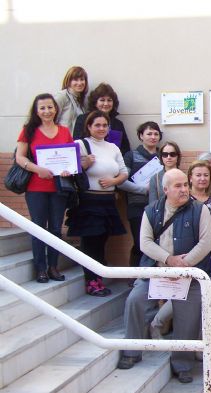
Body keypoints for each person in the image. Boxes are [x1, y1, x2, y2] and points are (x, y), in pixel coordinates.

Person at [117, 169, 211, 384]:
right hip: (157, 271)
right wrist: (169, 260)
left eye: (185, 185)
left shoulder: (200, 210)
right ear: (165, 189)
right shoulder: (151, 210)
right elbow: (145, 243)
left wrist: (182, 265)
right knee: (135, 301)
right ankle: (132, 351)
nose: (183, 190)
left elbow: (205, 243)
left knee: (187, 319)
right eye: (178, 186)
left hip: (189, 274)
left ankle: (183, 364)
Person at [150, 160, 211, 340]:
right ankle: (157, 323)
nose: (202, 178)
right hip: (181, 257)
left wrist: (205, 246)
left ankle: (201, 343)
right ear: (190, 178)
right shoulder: (183, 200)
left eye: (206, 175)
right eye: (198, 175)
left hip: (209, 257)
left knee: (203, 299)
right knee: (179, 293)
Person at [67, 110, 128, 297]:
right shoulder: (80, 145)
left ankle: (98, 278)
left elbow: (124, 172)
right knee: (91, 242)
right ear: (89, 127)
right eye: (97, 125)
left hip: (107, 200)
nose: (101, 128)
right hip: (88, 201)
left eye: (104, 125)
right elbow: (67, 170)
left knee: (102, 241)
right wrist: (84, 165)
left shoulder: (113, 147)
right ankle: (91, 281)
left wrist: (113, 182)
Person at [15, 93, 74, 283]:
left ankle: (53, 267)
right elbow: (20, 158)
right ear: (36, 111)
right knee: (38, 228)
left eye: (50, 107)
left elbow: (70, 158)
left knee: (56, 229)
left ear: (56, 109)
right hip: (36, 187)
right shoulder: (28, 130)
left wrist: (68, 170)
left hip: (58, 188)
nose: (47, 111)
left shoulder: (64, 131)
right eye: (42, 108)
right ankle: (40, 269)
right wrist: (37, 169)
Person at [121, 122, 161, 269]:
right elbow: (121, 182)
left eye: (156, 134)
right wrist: (144, 190)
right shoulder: (131, 155)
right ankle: (136, 276)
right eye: (149, 134)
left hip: (158, 206)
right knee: (140, 243)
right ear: (140, 136)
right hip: (137, 206)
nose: (153, 137)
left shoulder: (163, 155)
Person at [73, 83, 131, 155]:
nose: (106, 104)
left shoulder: (118, 124)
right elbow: (77, 144)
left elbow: (125, 148)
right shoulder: (83, 119)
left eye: (109, 100)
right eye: (102, 100)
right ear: (95, 102)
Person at [54, 66, 88, 132]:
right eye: (75, 80)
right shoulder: (62, 96)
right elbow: (51, 120)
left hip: (75, 141)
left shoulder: (80, 101)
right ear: (68, 81)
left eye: (82, 79)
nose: (79, 83)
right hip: (63, 140)